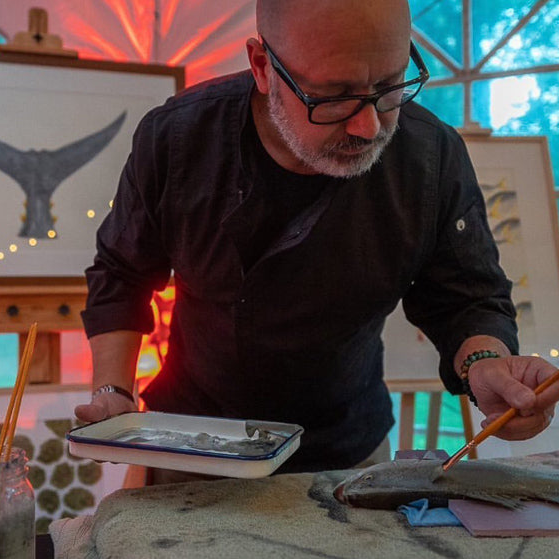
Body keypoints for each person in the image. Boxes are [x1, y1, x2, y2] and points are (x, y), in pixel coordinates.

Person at [75, 0, 559, 474]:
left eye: (390, 87)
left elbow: (467, 298)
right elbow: (123, 273)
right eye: (333, 97)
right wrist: (113, 393)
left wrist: (485, 363)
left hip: (346, 450)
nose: (368, 127)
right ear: (263, 67)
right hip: (193, 439)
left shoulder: (430, 158)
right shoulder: (178, 138)